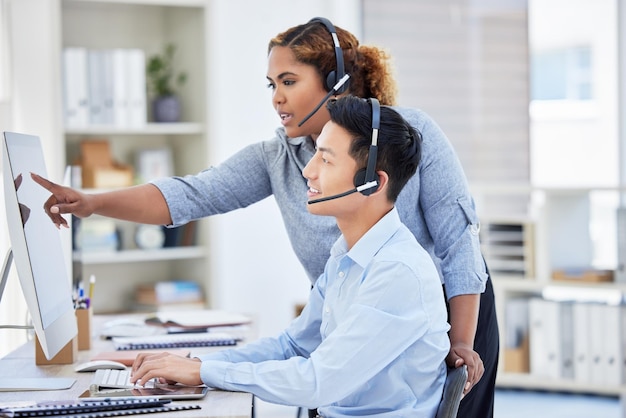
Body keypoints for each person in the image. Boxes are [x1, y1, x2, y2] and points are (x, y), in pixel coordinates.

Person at [33, 17, 498, 417]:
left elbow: (459, 243)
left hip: (447, 309)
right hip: (351, 312)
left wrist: (459, 344)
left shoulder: (403, 138)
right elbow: (192, 194)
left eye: (289, 81)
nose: (276, 97)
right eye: (271, 85)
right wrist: (92, 203)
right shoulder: (285, 167)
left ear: (335, 81)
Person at [130, 95, 451, 417]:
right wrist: (196, 364)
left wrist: (202, 374)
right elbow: (293, 347)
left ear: (372, 182)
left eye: (325, 160)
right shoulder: (347, 257)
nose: (308, 171)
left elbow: (318, 382)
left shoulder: (397, 272)